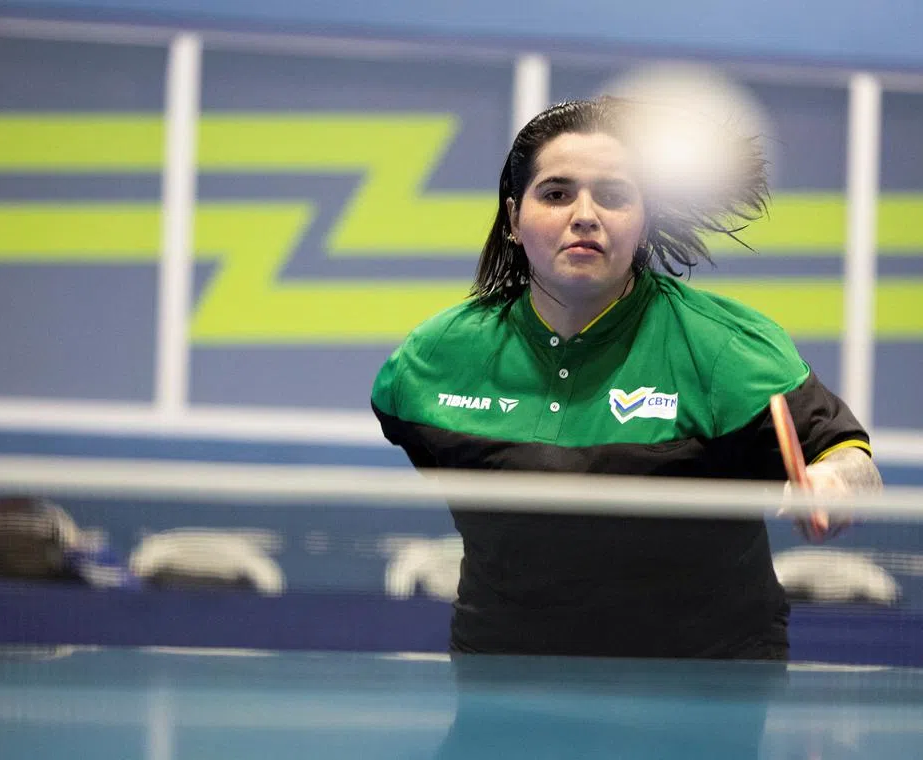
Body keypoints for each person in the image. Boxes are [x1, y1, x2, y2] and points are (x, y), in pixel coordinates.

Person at [371, 97, 882, 660]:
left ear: (642, 223)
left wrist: (834, 487)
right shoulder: (438, 356)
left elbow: (843, 452)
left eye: (613, 196)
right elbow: (421, 438)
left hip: (699, 689)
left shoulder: (724, 348)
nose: (584, 214)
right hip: (508, 677)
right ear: (514, 218)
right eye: (557, 193)